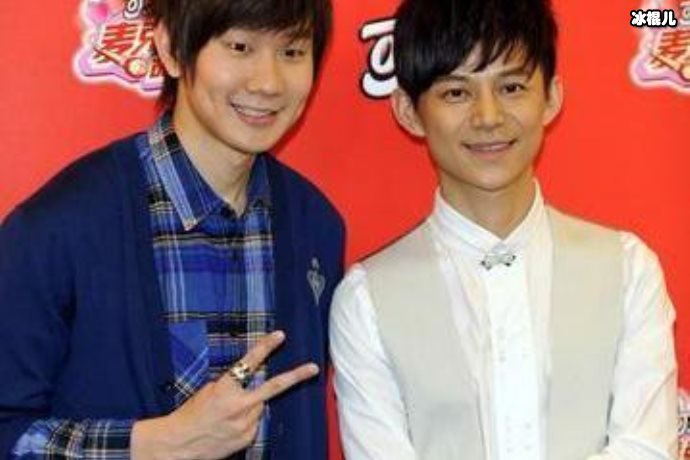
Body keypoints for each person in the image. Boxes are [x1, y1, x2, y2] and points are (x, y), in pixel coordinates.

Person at [329, 0, 677, 458]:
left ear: (551, 97)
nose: (488, 116)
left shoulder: (628, 269)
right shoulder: (367, 299)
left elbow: (646, 450)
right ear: (409, 111)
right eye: (457, 93)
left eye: (511, 87)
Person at [0, 0, 344, 458]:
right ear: (171, 48)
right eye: (240, 47)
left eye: (292, 52)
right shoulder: (58, 227)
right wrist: (152, 445)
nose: (268, 82)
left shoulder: (316, 224)